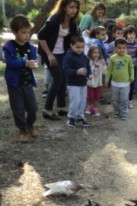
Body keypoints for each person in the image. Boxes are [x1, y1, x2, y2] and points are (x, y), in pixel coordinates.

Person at [38, 0, 80, 120]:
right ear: (64, 7)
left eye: (76, 7)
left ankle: (61, 107)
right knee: (58, 78)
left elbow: (73, 39)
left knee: (63, 78)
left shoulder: (72, 23)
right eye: (71, 7)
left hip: (62, 53)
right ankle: (47, 109)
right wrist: (49, 54)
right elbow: (41, 36)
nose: (74, 10)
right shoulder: (54, 20)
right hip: (49, 53)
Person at [3, 14, 38, 143]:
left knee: (33, 107)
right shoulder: (9, 47)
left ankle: (30, 124)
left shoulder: (31, 47)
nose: (26, 36)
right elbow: (10, 62)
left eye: (28, 33)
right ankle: (22, 130)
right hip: (14, 83)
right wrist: (25, 63)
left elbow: (34, 60)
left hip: (27, 82)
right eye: (23, 33)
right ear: (14, 32)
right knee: (18, 108)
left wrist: (34, 64)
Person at [62, 35, 92, 128]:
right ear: (71, 45)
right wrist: (76, 72)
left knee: (83, 101)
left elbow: (88, 67)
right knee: (75, 100)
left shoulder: (84, 57)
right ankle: (71, 117)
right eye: (77, 47)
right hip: (73, 83)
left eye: (82, 47)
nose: (80, 49)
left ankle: (80, 116)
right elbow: (65, 69)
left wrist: (89, 74)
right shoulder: (68, 57)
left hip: (83, 83)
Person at [105, 38, 134, 120]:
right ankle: (117, 112)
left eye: (123, 48)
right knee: (115, 99)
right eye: (119, 48)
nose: (121, 50)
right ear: (115, 48)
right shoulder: (112, 58)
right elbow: (109, 69)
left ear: (126, 48)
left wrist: (132, 76)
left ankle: (124, 113)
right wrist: (107, 80)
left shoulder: (128, 58)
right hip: (114, 83)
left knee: (124, 99)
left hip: (125, 83)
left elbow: (131, 68)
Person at [124, 25, 137, 107]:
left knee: (131, 83)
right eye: (130, 34)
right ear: (126, 34)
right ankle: (123, 99)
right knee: (124, 83)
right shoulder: (123, 43)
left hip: (134, 67)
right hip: (124, 67)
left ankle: (130, 100)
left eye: (134, 34)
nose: (132, 36)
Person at [85, 45, 106, 116]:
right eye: (94, 52)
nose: (96, 54)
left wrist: (103, 64)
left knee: (97, 96)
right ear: (90, 53)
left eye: (98, 53)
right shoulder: (88, 61)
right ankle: (89, 106)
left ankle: (95, 107)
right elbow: (88, 71)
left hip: (98, 82)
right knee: (91, 96)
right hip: (90, 82)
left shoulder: (101, 62)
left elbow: (104, 72)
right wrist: (94, 64)